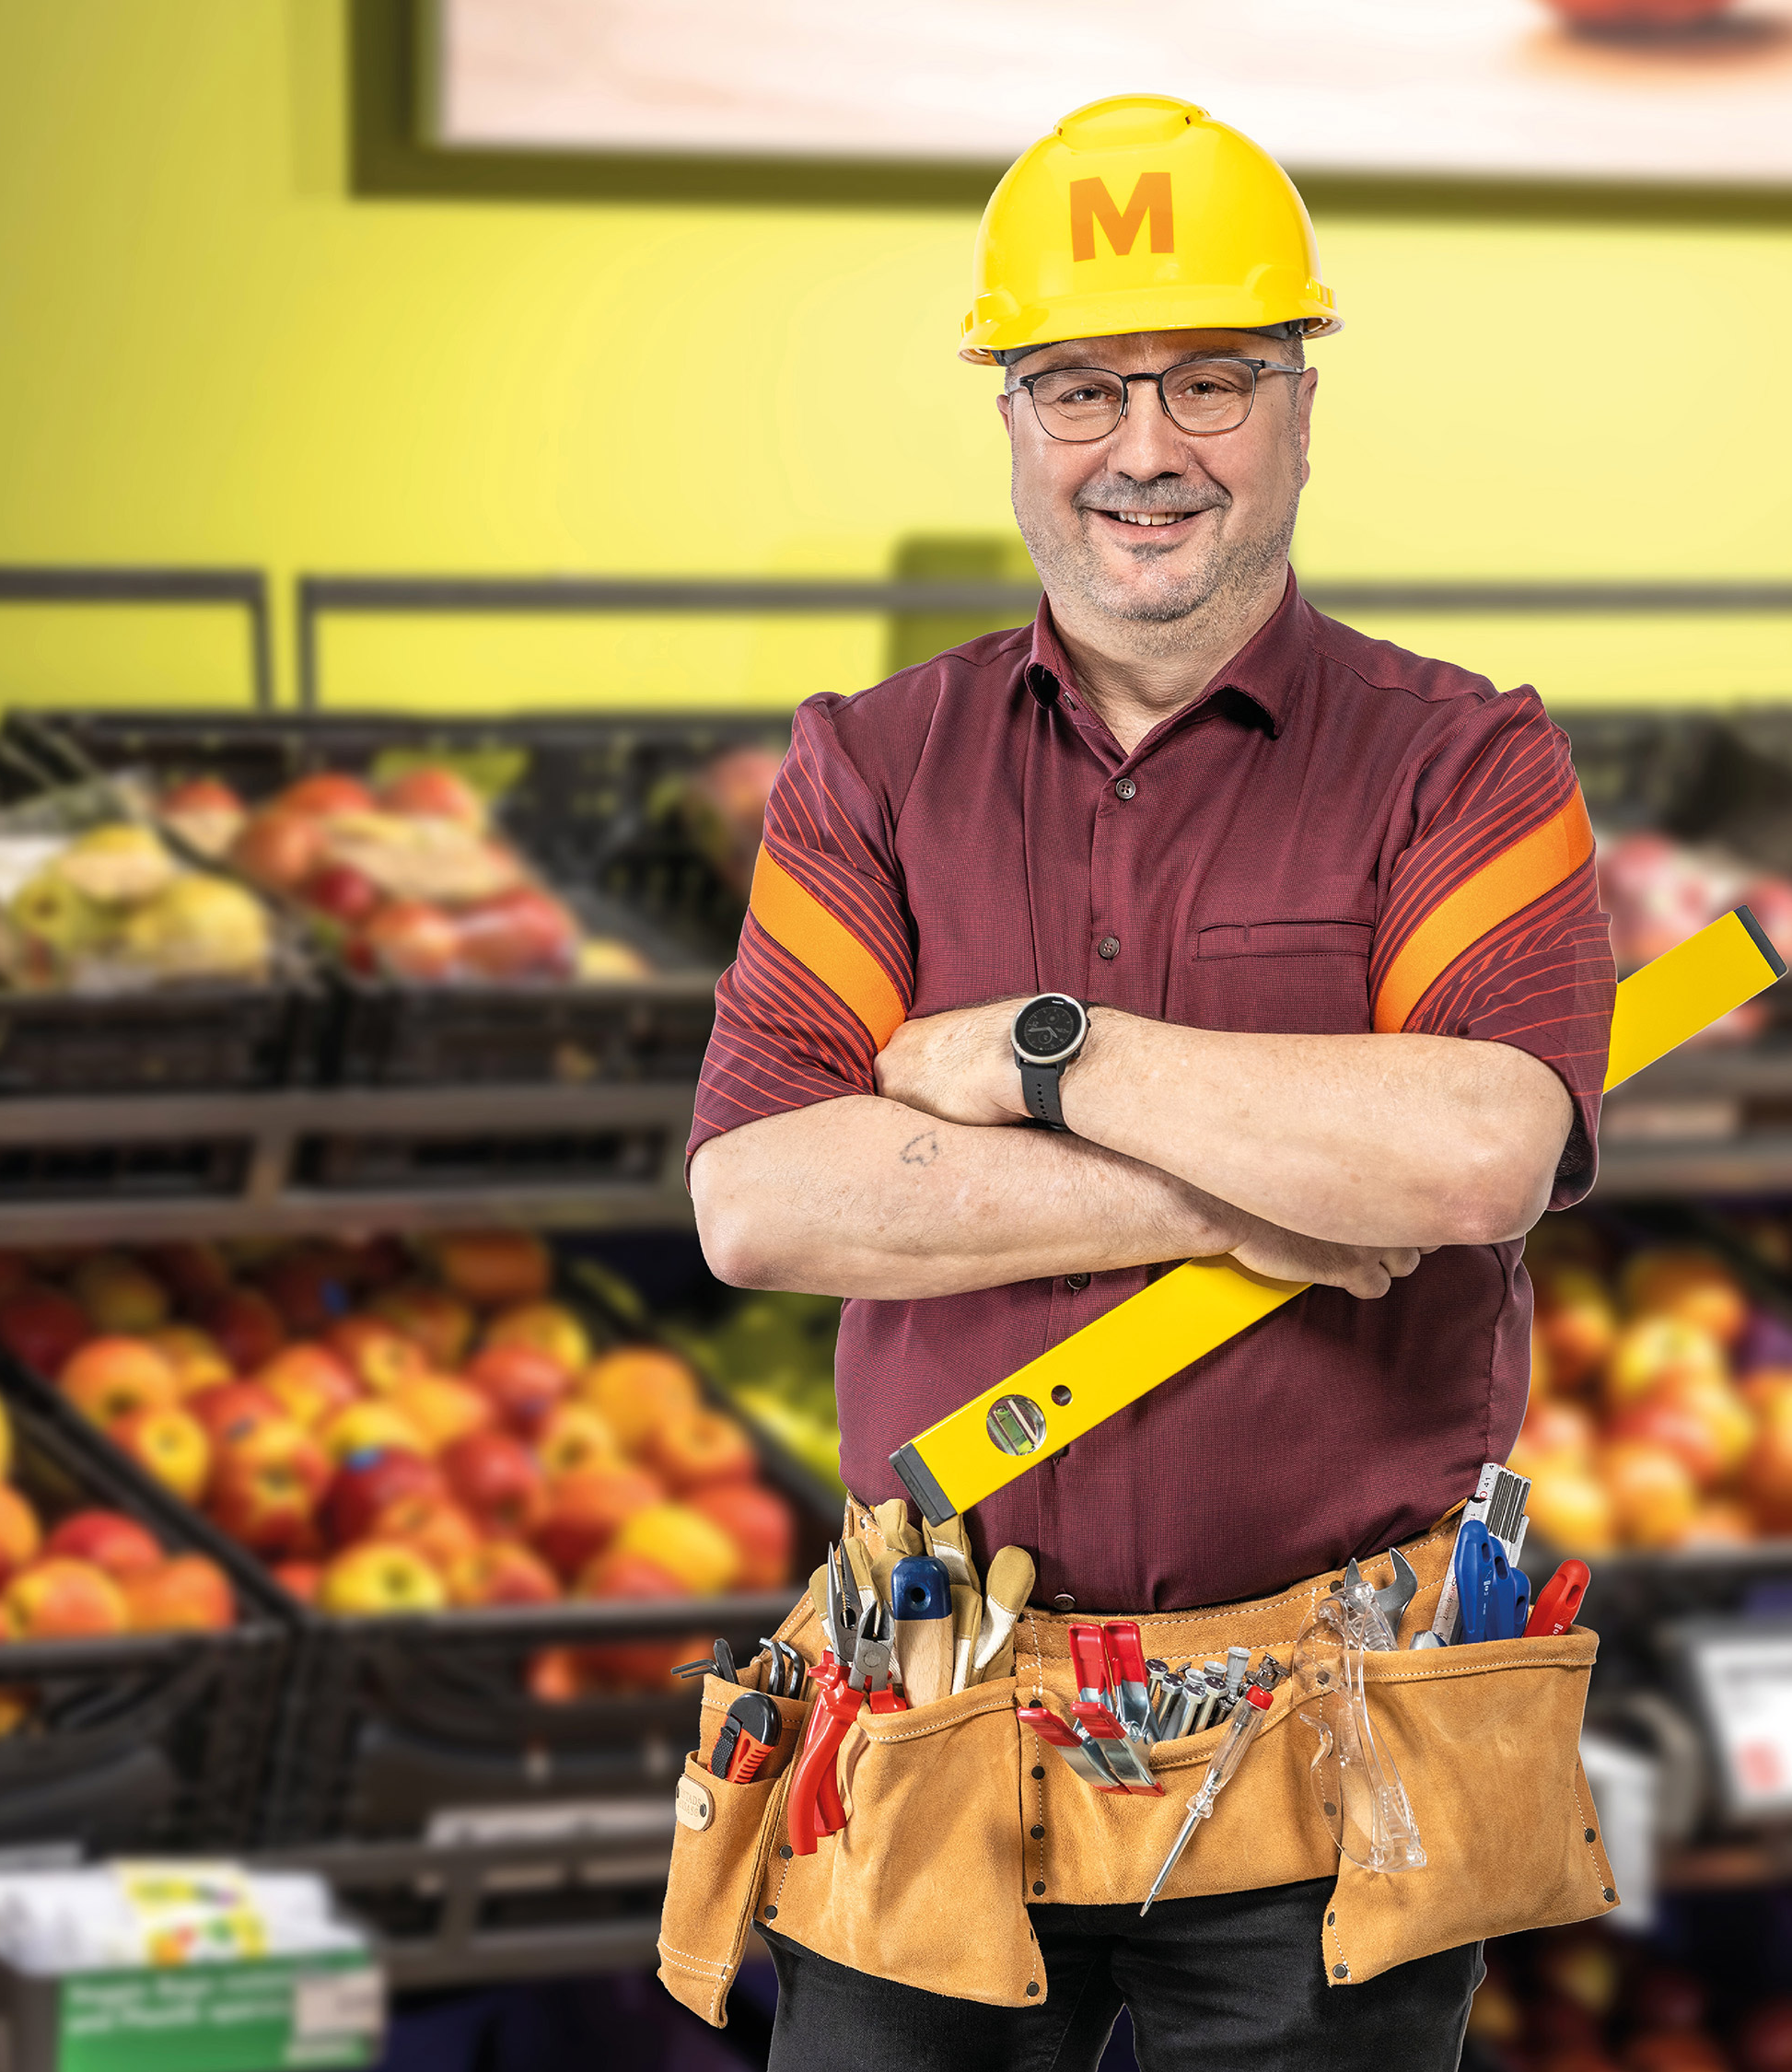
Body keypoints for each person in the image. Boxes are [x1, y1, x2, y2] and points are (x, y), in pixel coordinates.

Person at [679, 93, 1617, 2071]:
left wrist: (1041, 1060)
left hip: (1333, 1761)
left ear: (1298, 405)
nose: (1143, 448)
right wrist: (1254, 1193)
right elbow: (762, 1198)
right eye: (1079, 384)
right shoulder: (866, 770)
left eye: (1212, 381)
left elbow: (1470, 1155)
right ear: (1008, 415)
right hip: (925, 1724)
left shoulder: (1463, 766)